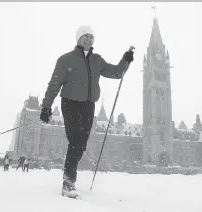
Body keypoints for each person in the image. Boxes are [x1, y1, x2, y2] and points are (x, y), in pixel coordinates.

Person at [40, 25, 134, 198]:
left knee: (81, 144)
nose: (88, 39)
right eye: (85, 36)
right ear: (78, 39)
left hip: (89, 105)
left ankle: (69, 176)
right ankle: (68, 183)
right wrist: (46, 106)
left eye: (91, 37)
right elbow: (54, 84)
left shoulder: (97, 60)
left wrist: (125, 60)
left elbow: (116, 72)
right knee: (75, 140)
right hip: (70, 103)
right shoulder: (65, 60)